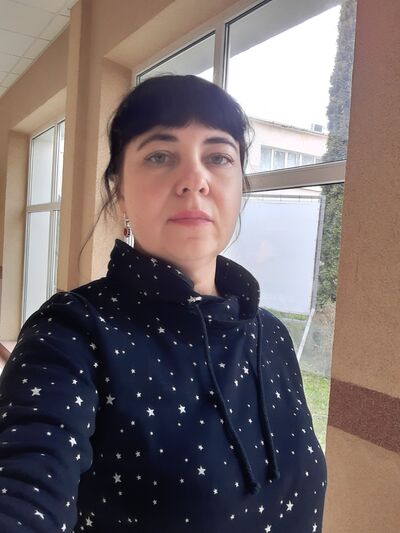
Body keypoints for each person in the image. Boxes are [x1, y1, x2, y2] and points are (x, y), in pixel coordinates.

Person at [0, 74, 327, 532]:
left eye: (218, 157)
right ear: (119, 191)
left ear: (239, 186)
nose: (195, 180)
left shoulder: (270, 334)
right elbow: (25, 487)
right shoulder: (71, 332)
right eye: (160, 155)